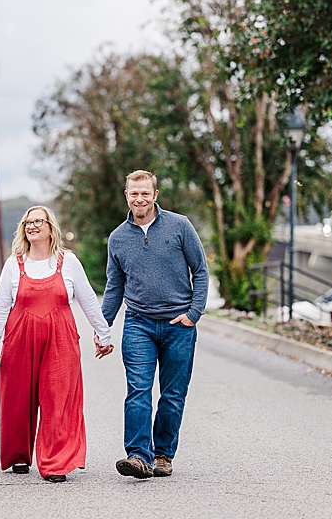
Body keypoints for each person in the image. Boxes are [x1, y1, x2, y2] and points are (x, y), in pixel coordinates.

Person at [0, 205, 114, 482]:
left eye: (37, 222)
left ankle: (55, 463)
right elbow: (0, 307)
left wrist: (103, 334)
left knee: (59, 400)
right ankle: (19, 456)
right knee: (16, 400)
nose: (32, 226)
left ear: (50, 227)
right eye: (27, 223)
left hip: (60, 340)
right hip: (19, 338)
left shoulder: (68, 261)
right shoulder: (14, 264)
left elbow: (88, 300)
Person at [102, 170, 208, 479]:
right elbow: (114, 286)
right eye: (134, 193)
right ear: (127, 196)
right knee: (138, 390)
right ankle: (138, 456)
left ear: (155, 195)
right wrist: (102, 326)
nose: (140, 199)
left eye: (145, 193)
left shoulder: (179, 226)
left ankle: (163, 454)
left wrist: (194, 312)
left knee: (173, 394)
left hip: (179, 326)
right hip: (138, 324)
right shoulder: (118, 238)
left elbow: (200, 270)